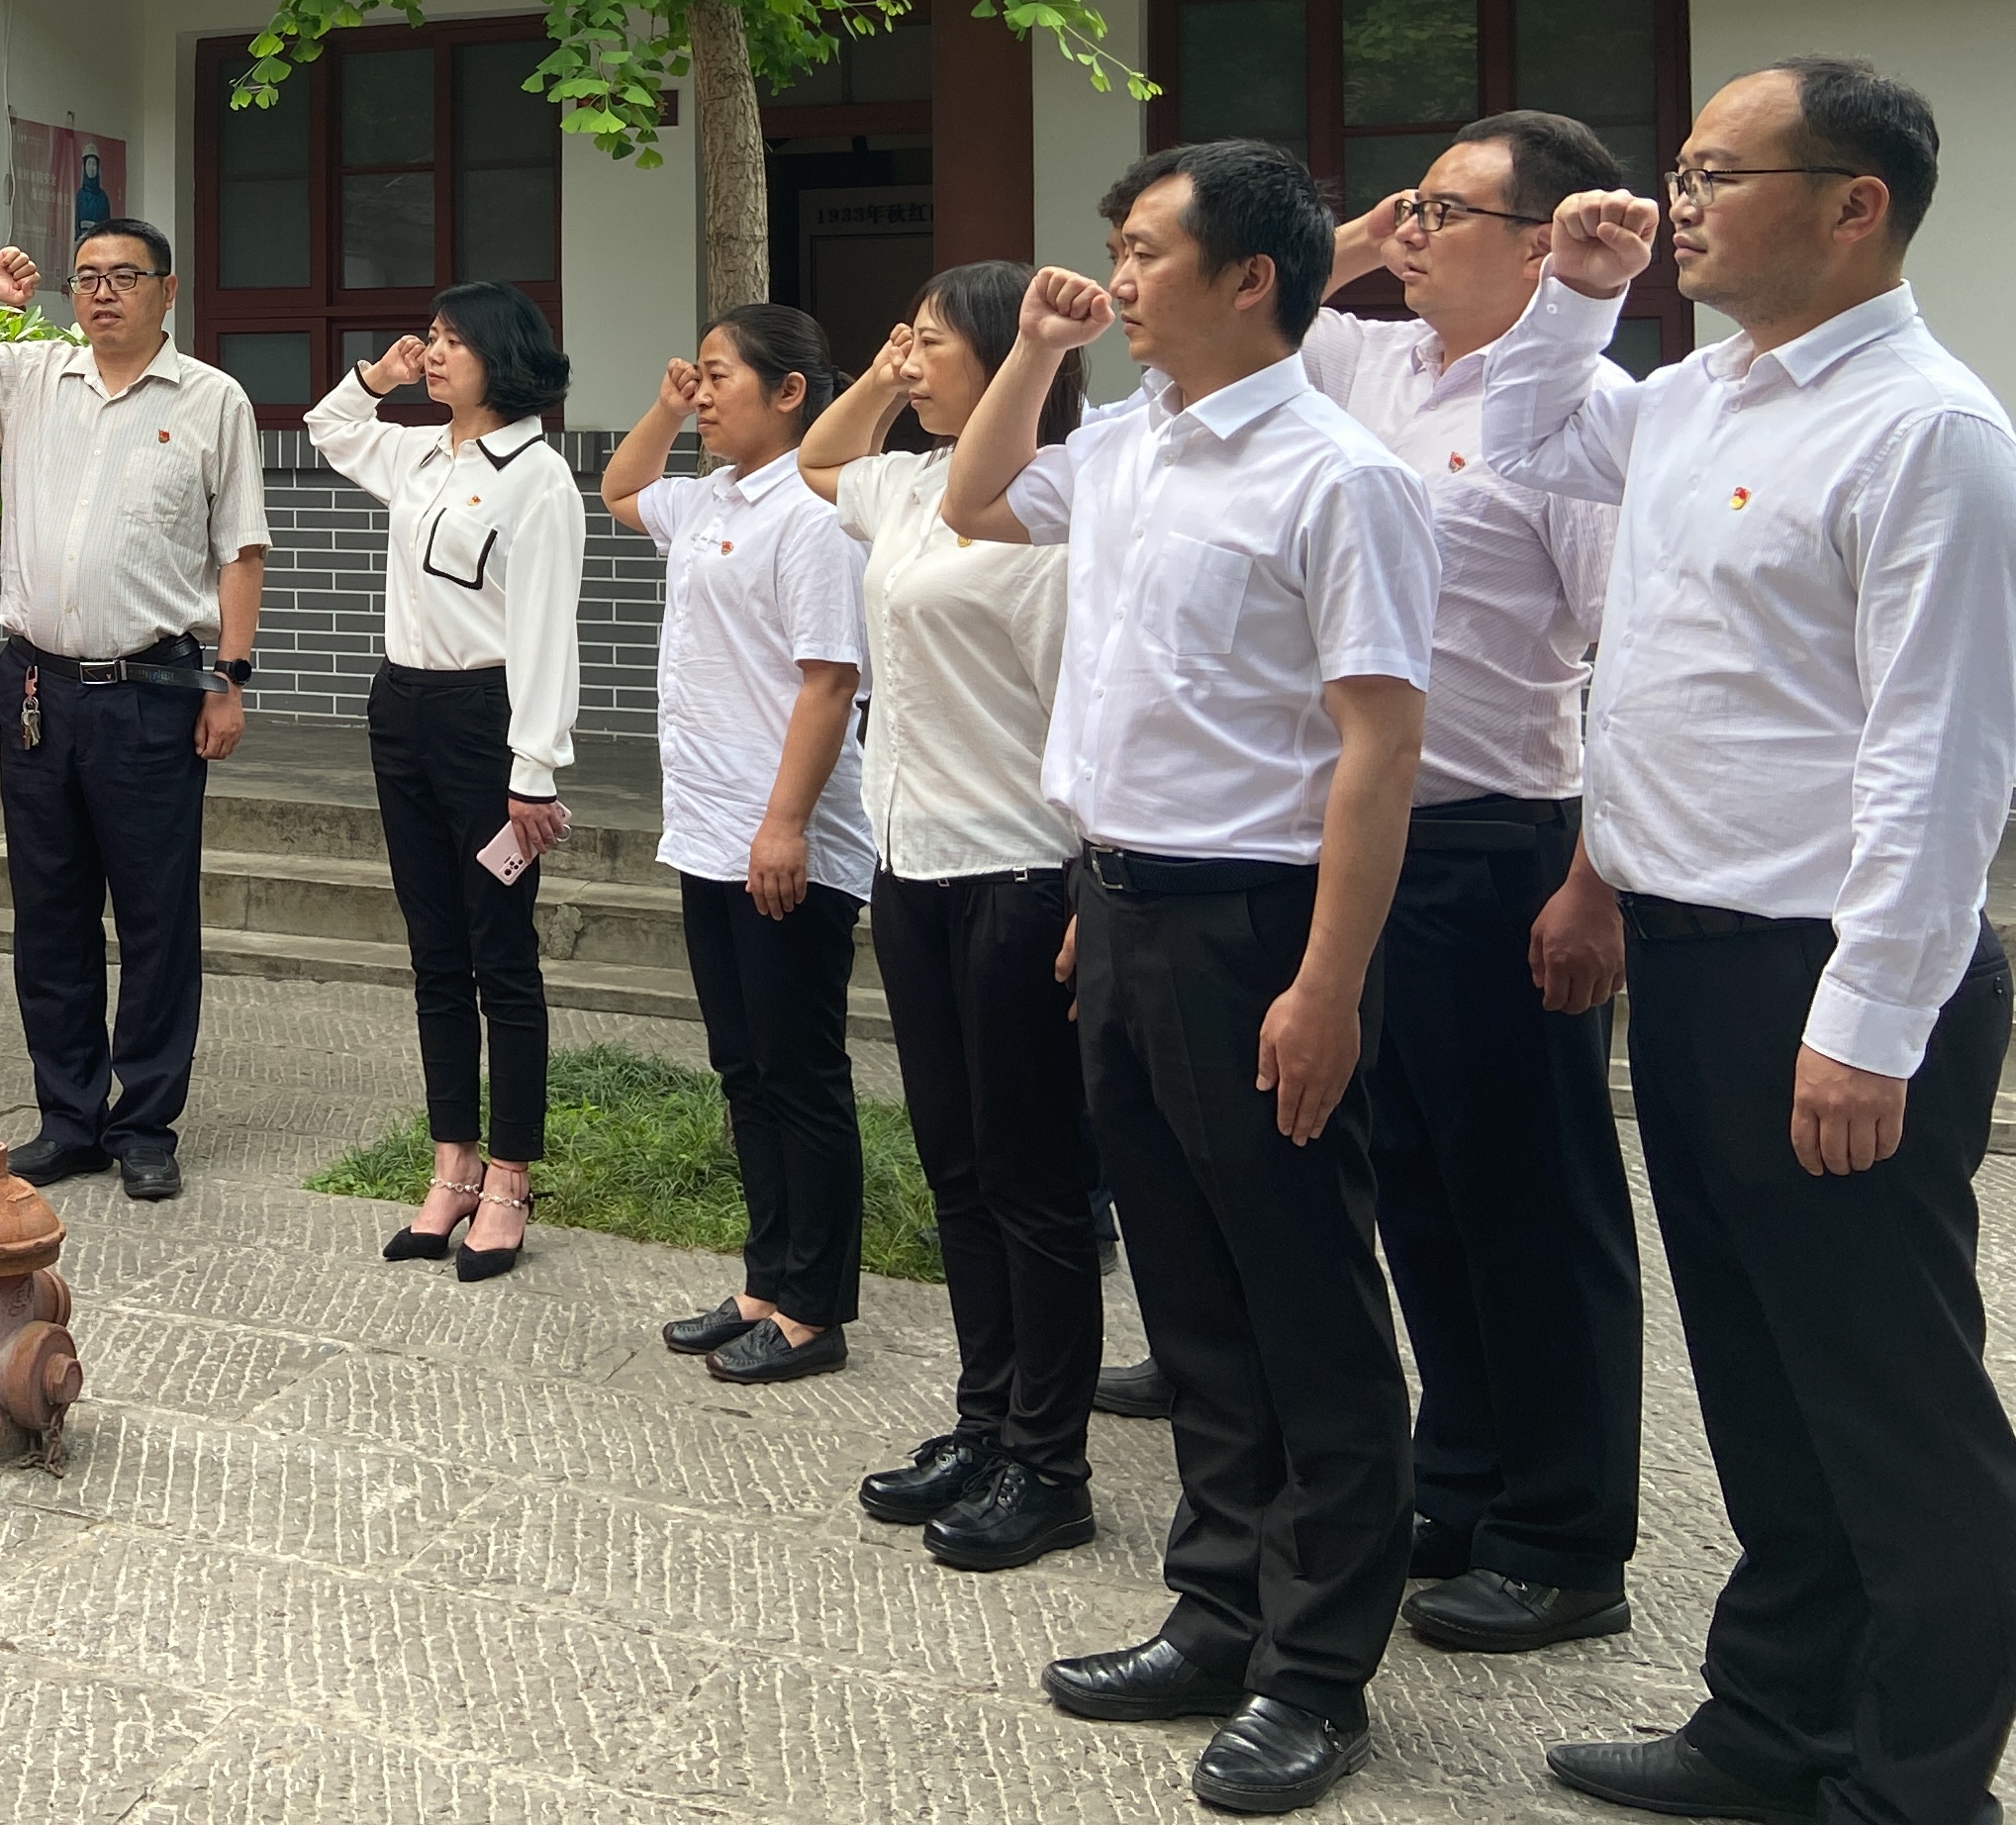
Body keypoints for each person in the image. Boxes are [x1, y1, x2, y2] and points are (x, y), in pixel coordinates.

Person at [1484, 61, 2016, 1825]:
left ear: (1855, 204)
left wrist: (1869, 1019)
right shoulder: (1697, 397)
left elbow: (1943, 754)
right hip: (1697, 960)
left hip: (1826, 973)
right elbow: (1528, 437)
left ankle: (1916, 1782)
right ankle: (1770, 1725)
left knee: (1889, 1403)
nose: (1682, 201)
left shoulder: (1927, 431)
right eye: (1681, 169)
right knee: (1762, 1382)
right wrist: (1575, 292)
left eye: (1723, 173)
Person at [944, 142, 1438, 1817]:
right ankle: (1216, 1607)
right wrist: (1035, 349)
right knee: (1191, 1292)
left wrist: (1328, 983)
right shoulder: (1129, 444)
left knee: (1306, 1301)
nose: (1118, 276)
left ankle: (1317, 1669)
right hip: (1123, 904)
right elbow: (971, 497)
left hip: (1261, 928)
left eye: (1145, 250)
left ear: (1251, 277)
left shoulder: (1339, 476)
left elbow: (1379, 748)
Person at [1310, 116, 1648, 1658]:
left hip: (1509, 844)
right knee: (1420, 1191)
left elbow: (1625, 662)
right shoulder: (1370, 367)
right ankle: (1458, 1481)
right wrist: (1358, 233)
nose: (1415, 233)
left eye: (1449, 212)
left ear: (1541, 245)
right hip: (1374, 848)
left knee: (1532, 1201)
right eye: (1413, 206)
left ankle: (1564, 1536)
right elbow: (1252, 315)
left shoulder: (1590, 421)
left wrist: (1596, 881)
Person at [794, 263, 1099, 1563]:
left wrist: (1091, 881)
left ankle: (1050, 1461)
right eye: (902, 341)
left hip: (1021, 871)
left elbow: (1086, 710)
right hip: (912, 866)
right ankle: (984, 1422)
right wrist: (881, 372)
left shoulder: (1056, 508)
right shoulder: (907, 486)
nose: (909, 361)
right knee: (958, 1169)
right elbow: (819, 459)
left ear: (1003, 355)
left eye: (930, 344)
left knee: (1035, 1182)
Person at [0, 221, 268, 1202]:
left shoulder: (212, 399)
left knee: (155, 918)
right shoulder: (29, 379)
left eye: (125, 277)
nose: (102, 293)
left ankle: (144, 1124)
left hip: (153, 694)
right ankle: (67, 1118)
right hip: (37, 691)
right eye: (87, 277)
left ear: (167, 291)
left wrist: (231, 680)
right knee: (50, 913)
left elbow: (241, 550)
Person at [602, 307, 876, 1382]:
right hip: (711, 829)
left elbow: (830, 679)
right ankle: (766, 1281)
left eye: (720, 378)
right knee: (745, 1068)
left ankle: (815, 1308)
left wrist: (786, 823)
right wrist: (667, 408)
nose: (704, 393)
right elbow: (621, 488)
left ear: (790, 392)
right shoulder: (713, 495)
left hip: (783, 836)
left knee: (801, 1072)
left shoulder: (812, 512)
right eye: (699, 376)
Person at [308, 283, 585, 1284]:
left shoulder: (538, 477)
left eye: (451, 342)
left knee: (500, 955)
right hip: (403, 710)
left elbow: (548, 631)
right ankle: (451, 1165)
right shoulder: (422, 453)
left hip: (486, 721)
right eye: (430, 338)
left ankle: (508, 1177)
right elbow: (330, 428)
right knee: (434, 952)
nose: (431, 354)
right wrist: (376, 376)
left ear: (501, 357)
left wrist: (533, 768)